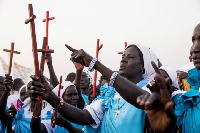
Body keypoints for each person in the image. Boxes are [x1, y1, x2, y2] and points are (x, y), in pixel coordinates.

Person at [28, 44, 161, 133]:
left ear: (143, 66)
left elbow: (141, 99)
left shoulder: (151, 89)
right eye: (122, 57)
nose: (123, 60)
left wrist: (95, 64)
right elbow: (83, 116)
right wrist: (50, 96)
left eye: (130, 57)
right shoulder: (111, 94)